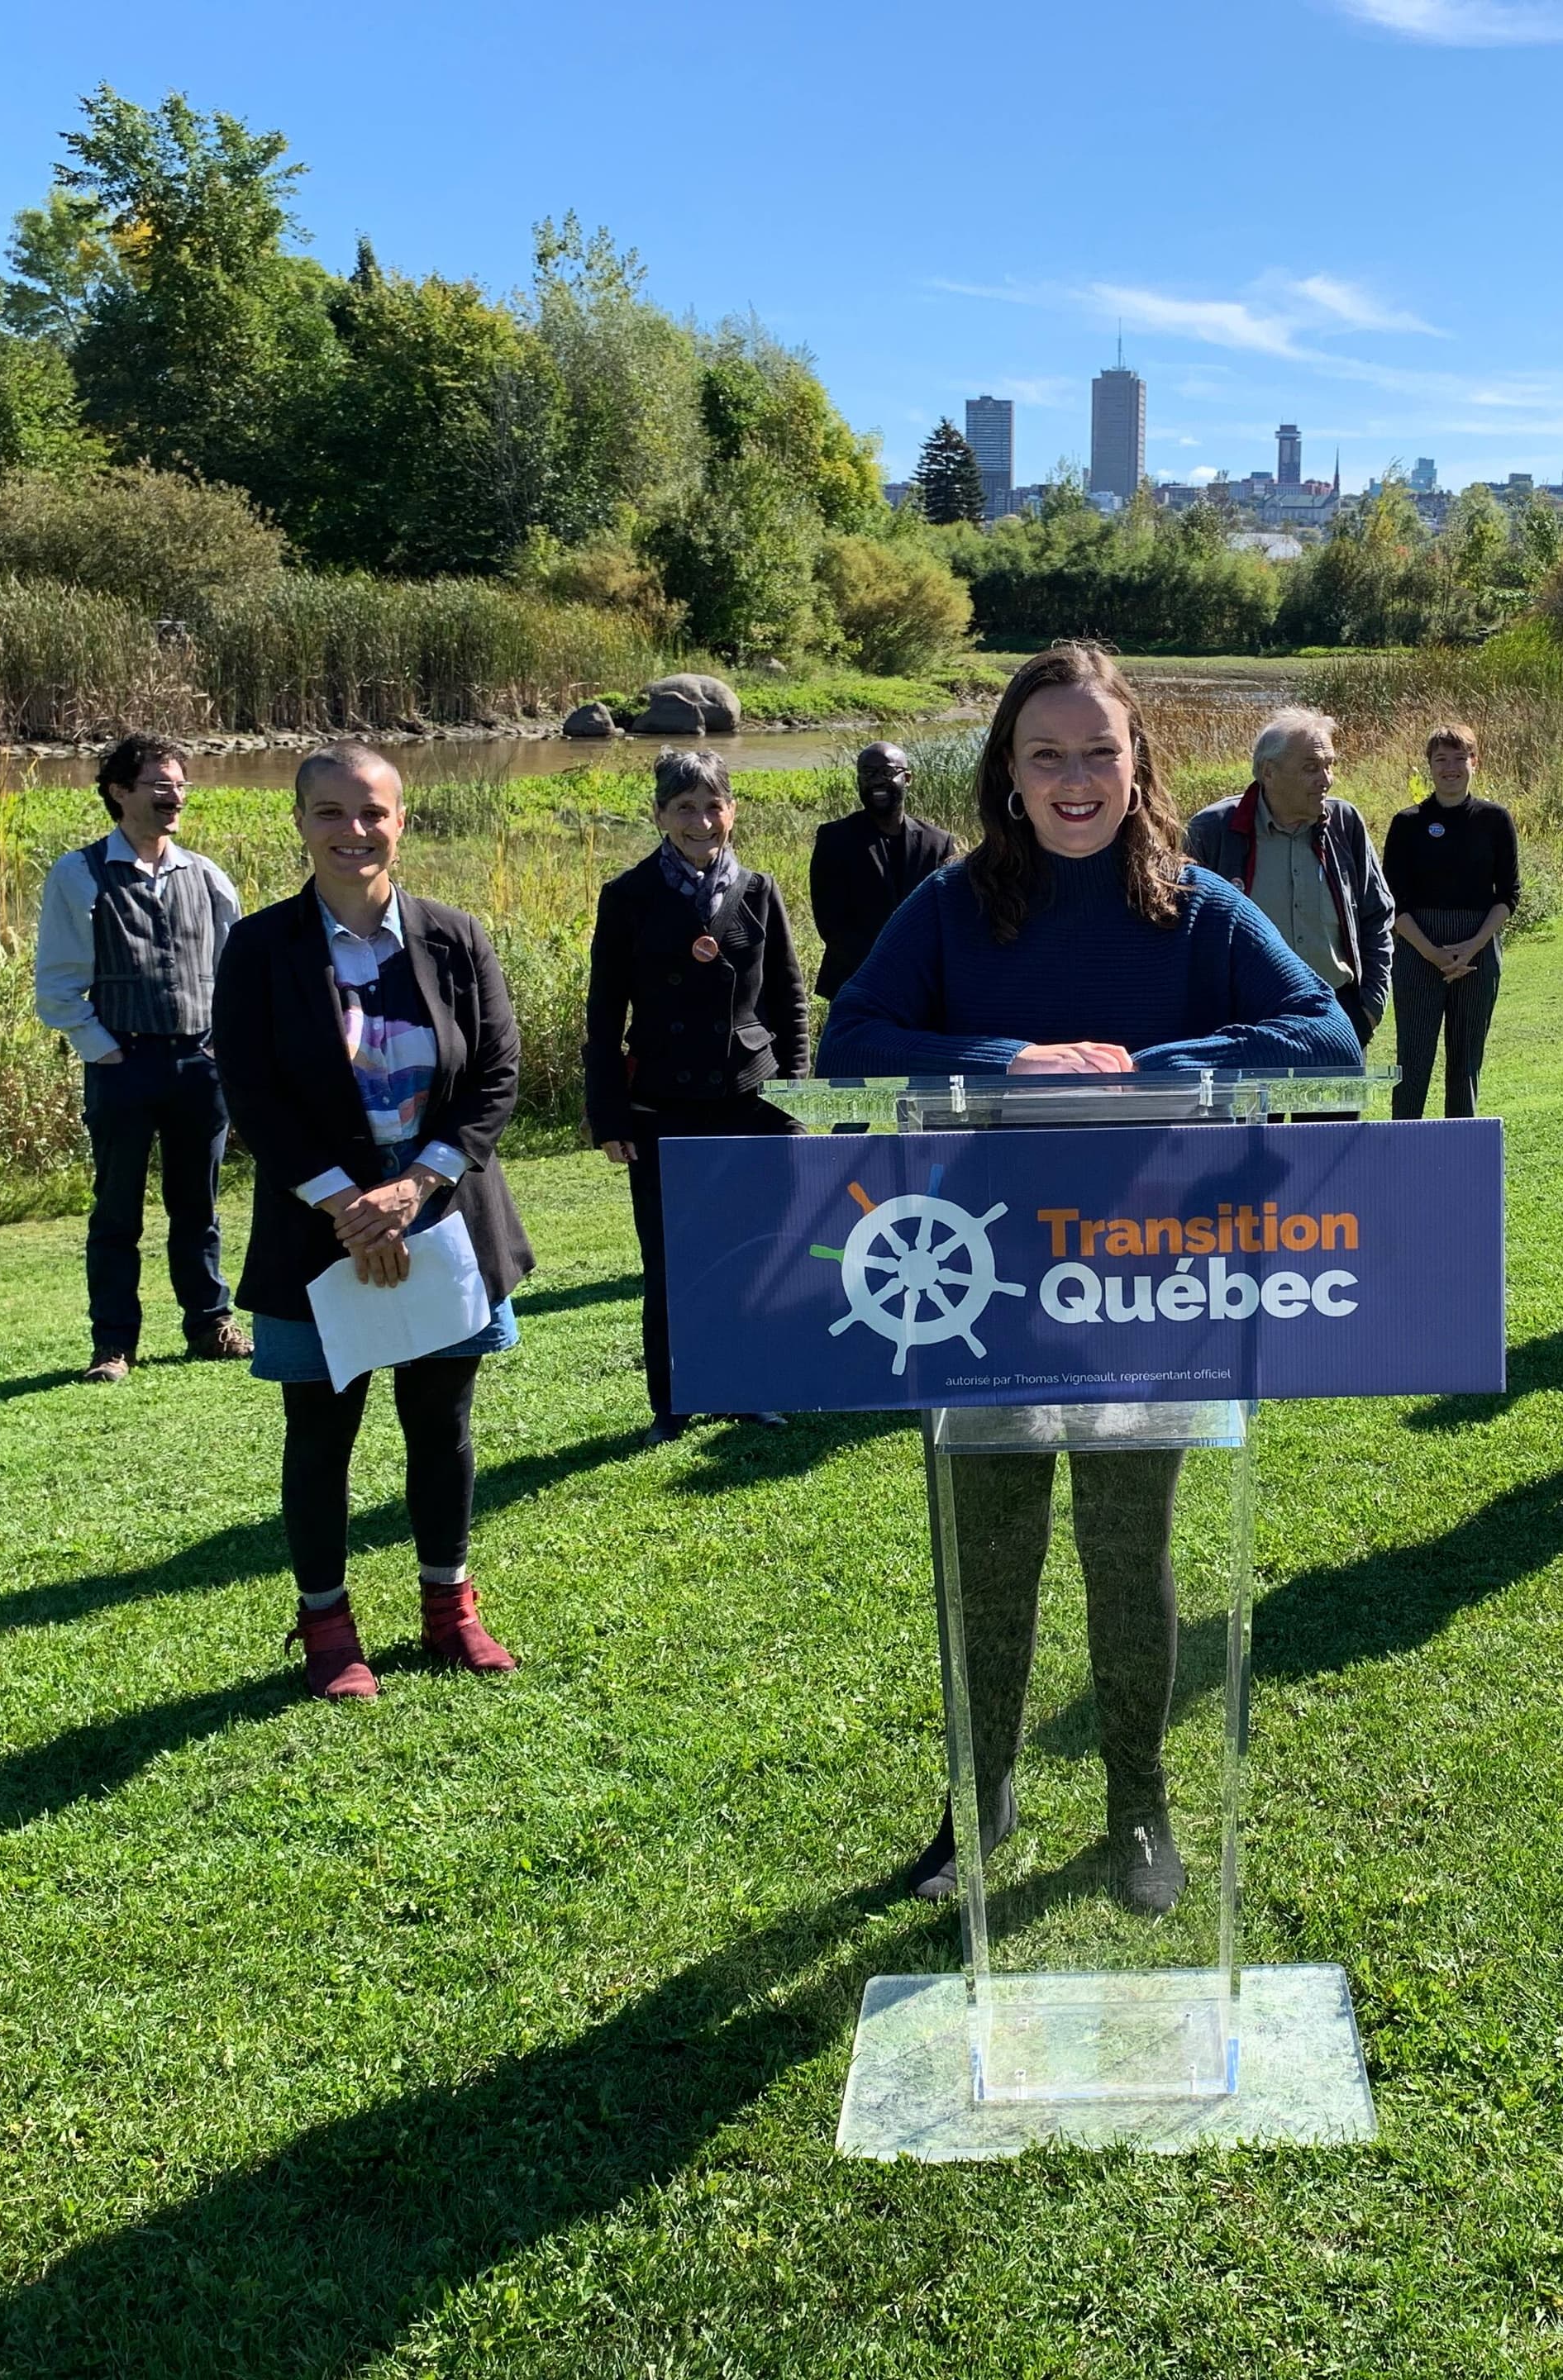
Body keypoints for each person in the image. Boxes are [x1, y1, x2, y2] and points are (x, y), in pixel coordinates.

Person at [822, 641, 1356, 1916]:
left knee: (1132, 1558)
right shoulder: (951, 906)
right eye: (1046, 754)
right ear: (1007, 771)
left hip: (1141, 1287)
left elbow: (1323, 1035)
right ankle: (981, 1796)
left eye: (1099, 752)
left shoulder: (1197, 905)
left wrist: (1143, 1067)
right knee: (988, 1560)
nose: (1075, 779)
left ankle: (1139, 1807)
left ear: (1138, 764)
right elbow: (851, 1043)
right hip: (980, 1289)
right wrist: (1013, 1058)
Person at [215, 745, 534, 1703]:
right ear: (301, 823)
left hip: (441, 1223)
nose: (352, 832)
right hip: (320, 1232)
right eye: (329, 813)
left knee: (442, 1424)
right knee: (321, 1435)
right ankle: (328, 1629)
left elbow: (495, 1076)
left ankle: (450, 1610)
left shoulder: (454, 936)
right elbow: (252, 1092)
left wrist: (416, 1187)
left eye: (372, 813)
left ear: (403, 820)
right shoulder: (260, 948)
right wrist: (347, 1201)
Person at [582, 749, 812, 1440]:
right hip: (662, 1104)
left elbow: (791, 1004)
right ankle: (672, 1404)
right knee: (669, 1261)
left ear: (732, 811)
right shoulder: (626, 897)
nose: (702, 820)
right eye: (685, 807)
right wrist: (608, 1114)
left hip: (749, 1098)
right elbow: (601, 1018)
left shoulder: (761, 890)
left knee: (753, 1251)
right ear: (659, 815)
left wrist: (795, 1097)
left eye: (714, 805)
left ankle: (751, 1391)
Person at [31, 731, 249, 1383]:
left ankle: (211, 1326)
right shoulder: (79, 874)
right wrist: (104, 1052)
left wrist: (219, 1045)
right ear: (119, 793)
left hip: (198, 1067)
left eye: (179, 784)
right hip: (122, 1068)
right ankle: (113, 1346)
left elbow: (234, 972)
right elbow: (59, 986)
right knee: (117, 1211)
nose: (173, 796)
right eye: (159, 784)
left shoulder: (206, 875)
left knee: (199, 1208)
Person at [1181, 705, 1394, 1052]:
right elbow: (1183, 928)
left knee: (1335, 1108)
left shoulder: (1346, 823)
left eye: (1329, 766)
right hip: (1246, 1018)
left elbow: (1377, 913)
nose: (1325, 779)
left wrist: (1369, 1007)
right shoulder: (1215, 831)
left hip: (1336, 1012)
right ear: (1269, 772)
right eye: (1311, 768)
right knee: (1254, 1110)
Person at [1380, 722, 1520, 1118]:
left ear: (1475, 762)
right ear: (1429, 765)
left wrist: (1470, 947)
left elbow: (1508, 894)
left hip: (1478, 950)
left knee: (1465, 1065)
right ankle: (1404, 1150)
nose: (1451, 767)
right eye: (1442, 759)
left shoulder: (1494, 819)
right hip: (1418, 950)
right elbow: (1393, 901)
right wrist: (1433, 954)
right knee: (1414, 1063)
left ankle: (1460, 1156)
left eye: (1460, 758)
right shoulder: (1408, 823)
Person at [806, 740, 956, 1002]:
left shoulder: (938, 843)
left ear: (907, 778)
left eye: (887, 773)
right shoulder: (835, 839)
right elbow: (830, 923)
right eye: (868, 773)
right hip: (856, 982)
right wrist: (884, 970)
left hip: (923, 984)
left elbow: (946, 918)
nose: (877, 781)